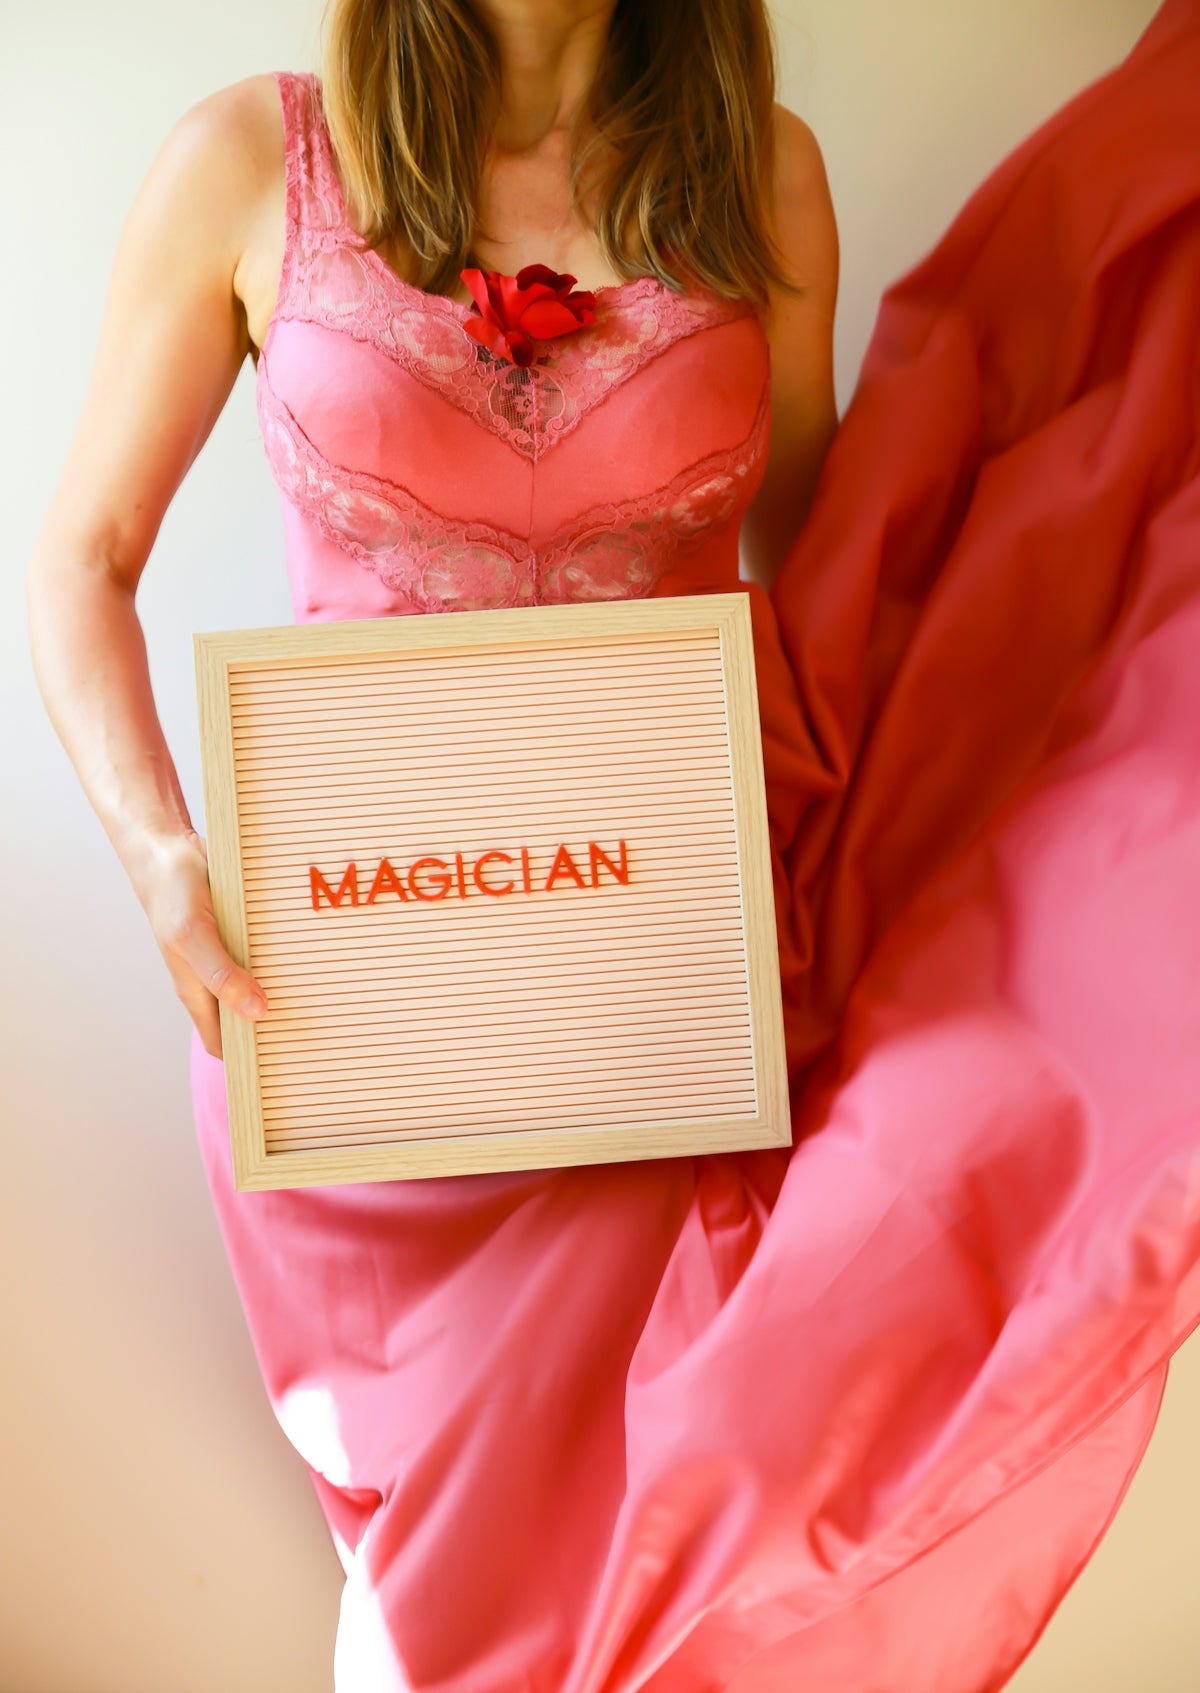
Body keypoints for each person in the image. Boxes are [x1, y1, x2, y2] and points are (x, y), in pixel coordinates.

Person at [25, 0, 1200, 1688]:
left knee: (651, 1582)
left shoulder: (761, 181)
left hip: (661, 1020)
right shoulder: (243, 161)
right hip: (356, 1043)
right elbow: (81, 556)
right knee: (438, 1618)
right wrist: (162, 860)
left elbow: (826, 588)